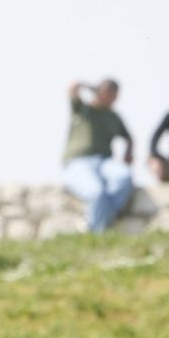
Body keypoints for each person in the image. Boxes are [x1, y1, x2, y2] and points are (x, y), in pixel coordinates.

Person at [62, 79, 134, 233]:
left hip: (105, 161)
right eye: (108, 93)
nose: (111, 98)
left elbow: (129, 138)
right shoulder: (83, 109)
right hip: (78, 161)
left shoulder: (114, 116)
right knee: (97, 192)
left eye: (114, 95)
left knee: (124, 177)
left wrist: (128, 153)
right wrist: (93, 88)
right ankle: (97, 232)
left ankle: (92, 222)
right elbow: (73, 87)